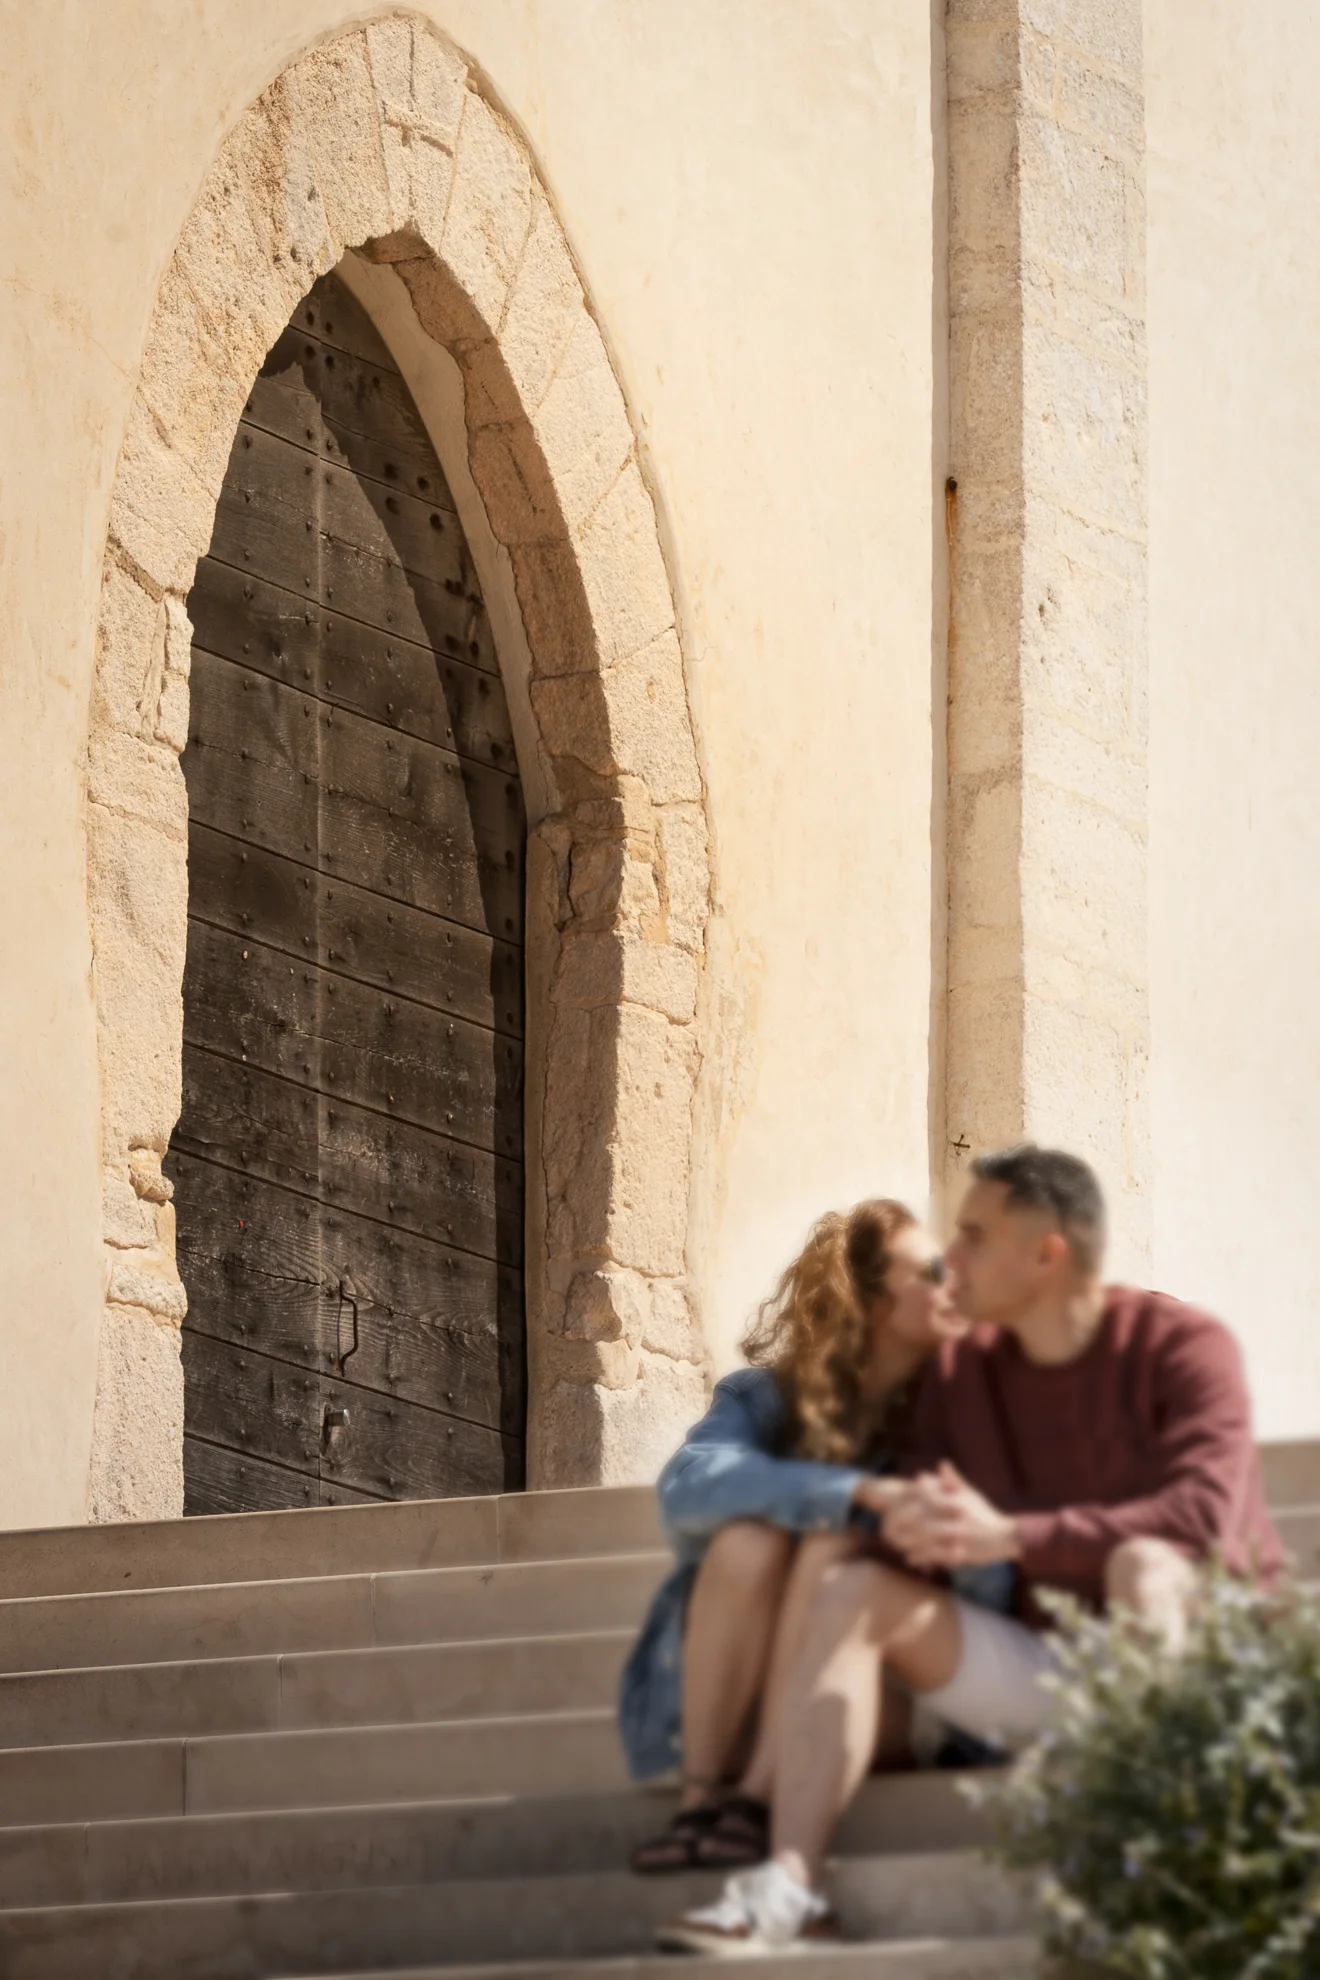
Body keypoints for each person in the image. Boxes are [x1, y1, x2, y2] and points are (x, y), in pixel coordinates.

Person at [661, 1144, 1285, 1956]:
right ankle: (789, 1888)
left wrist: (1014, 1535)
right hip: (1051, 1665)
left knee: (1145, 1568)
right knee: (851, 1590)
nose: (952, 1260)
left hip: (1193, 1655)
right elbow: (918, 1531)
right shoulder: (967, 1383)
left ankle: (1165, 1857)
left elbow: (1201, 1517)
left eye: (974, 1238)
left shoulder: (1176, 1343)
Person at [620, 1196, 1011, 1878]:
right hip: (747, 1694)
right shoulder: (761, 1399)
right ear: (871, 1304)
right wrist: (848, 1492)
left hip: (881, 1695)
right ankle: (701, 1805)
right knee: (747, 1544)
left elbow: (995, 1586)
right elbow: (689, 1486)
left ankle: (752, 1805)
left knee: (835, 1549)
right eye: (930, 1273)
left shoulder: (960, 1412)